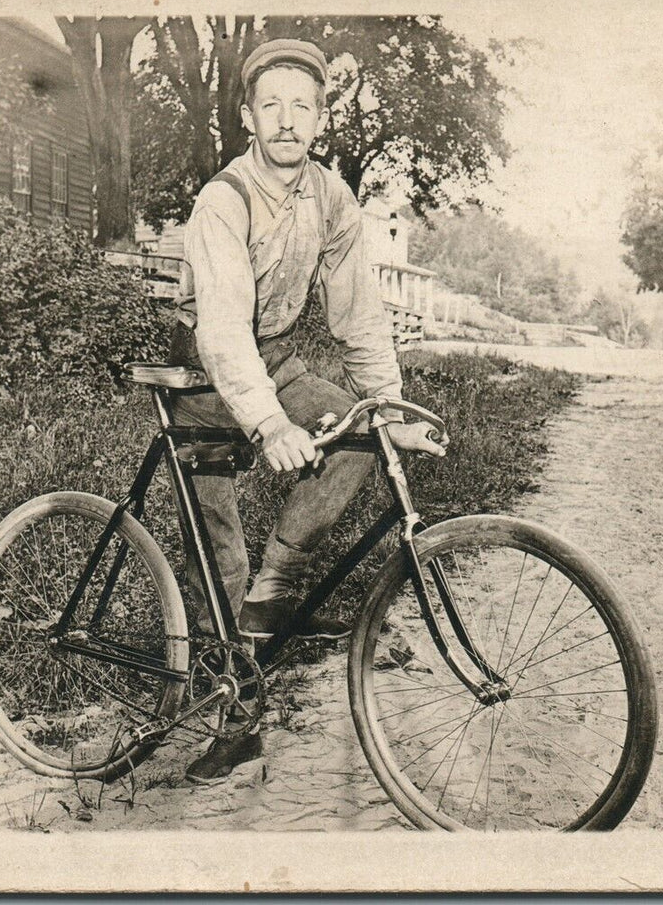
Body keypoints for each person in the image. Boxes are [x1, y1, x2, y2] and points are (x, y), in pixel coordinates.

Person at [168, 38, 446, 784]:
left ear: (321, 118)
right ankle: (235, 716)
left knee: (357, 437)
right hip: (201, 378)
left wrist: (385, 404)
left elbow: (357, 312)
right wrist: (269, 424)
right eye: (270, 107)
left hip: (280, 360)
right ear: (246, 117)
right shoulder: (221, 200)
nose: (286, 122)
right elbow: (222, 331)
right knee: (217, 549)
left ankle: (278, 586)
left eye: (302, 106)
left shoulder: (330, 195)